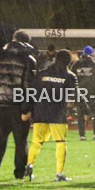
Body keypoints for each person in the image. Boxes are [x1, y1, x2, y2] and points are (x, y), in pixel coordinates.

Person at [0, 30, 37, 181]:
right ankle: (20, 172)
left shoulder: (0, 56)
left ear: (13, 39)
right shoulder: (28, 59)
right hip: (18, 105)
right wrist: (27, 109)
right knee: (21, 141)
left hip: (1, 104)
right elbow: (29, 87)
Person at [24, 49, 78, 182]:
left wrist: (27, 109)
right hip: (57, 114)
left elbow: (31, 92)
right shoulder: (69, 76)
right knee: (60, 143)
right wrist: (87, 110)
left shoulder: (42, 74)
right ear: (69, 61)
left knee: (36, 142)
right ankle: (59, 173)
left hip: (40, 112)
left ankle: (29, 165)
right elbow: (75, 95)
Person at [70, 45, 95, 140]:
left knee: (80, 113)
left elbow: (71, 79)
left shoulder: (76, 64)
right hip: (93, 93)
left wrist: (73, 94)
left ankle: (82, 135)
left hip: (80, 93)